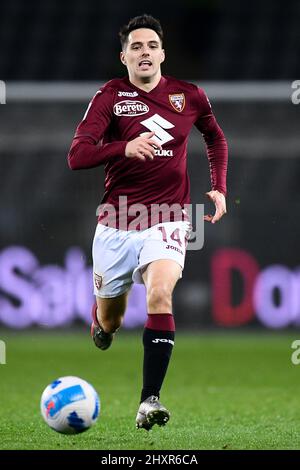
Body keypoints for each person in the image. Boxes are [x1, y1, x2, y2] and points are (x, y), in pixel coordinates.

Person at [67, 14, 228, 431]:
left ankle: (149, 401)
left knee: (159, 294)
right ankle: (100, 321)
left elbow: (215, 137)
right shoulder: (110, 96)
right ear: (123, 57)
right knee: (111, 323)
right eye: (135, 47)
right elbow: (77, 155)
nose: (144, 52)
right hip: (116, 223)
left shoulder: (189, 96)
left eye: (151, 45)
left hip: (169, 218)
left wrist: (219, 187)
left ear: (162, 54)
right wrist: (122, 147)